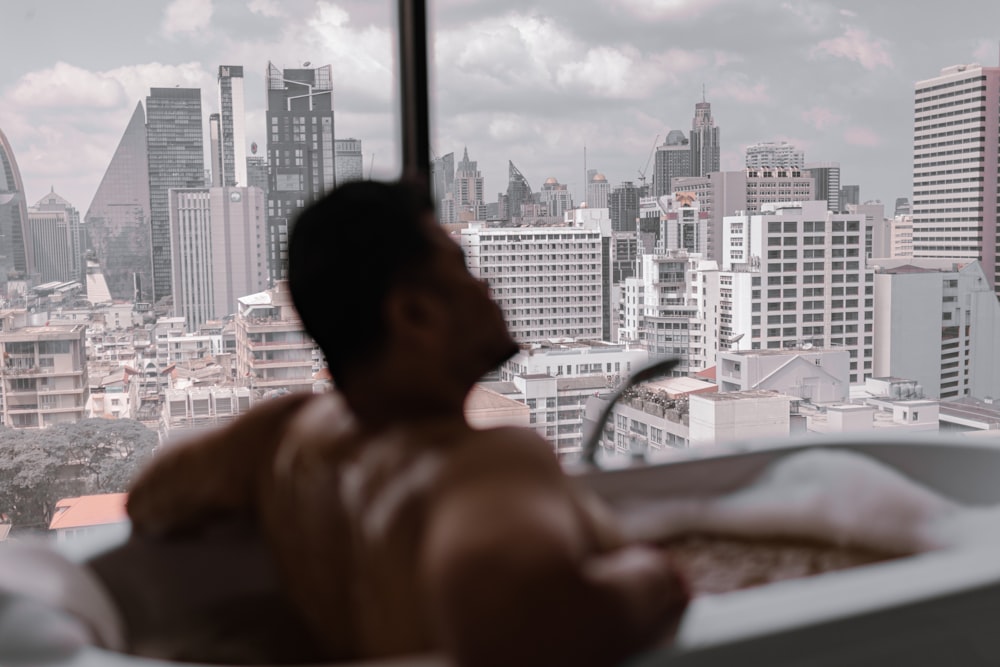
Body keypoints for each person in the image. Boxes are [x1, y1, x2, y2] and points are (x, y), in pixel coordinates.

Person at [126, 180, 689, 667]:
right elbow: (529, 633)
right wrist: (656, 575)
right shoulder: (481, 465)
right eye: (461, 269)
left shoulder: (287, 433)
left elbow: (152, 499)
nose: (485, 285)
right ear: (414, 314)